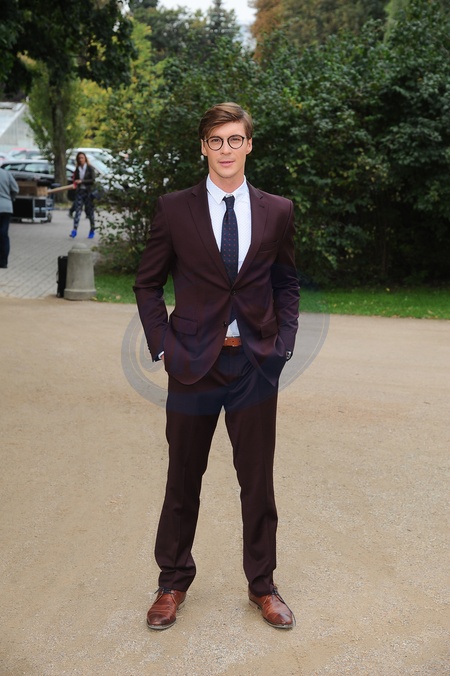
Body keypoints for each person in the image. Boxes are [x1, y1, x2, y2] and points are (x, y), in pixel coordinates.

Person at [134, 102, 300, 631]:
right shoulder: (173, 209)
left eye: (234, 139)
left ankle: (263, 585)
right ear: (203, 147)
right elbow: (147, 283)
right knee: (183, 478)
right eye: (215, 140)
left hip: (254, 364)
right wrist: (163, 344)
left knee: (258, 481)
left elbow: (286, 284)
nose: (225, 149)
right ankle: (172, 582)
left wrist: (283, 345)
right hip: (192, 364)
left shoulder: (278, 210)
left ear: (249, 145)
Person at [70, 152, 96, 239]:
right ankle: (74, 230)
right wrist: (75, 182)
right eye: (79, 158)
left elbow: (93, 180)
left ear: (85, 159)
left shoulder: (90, 168)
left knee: (90, 212)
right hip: (80, 192)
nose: (81, 160)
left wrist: (82, 181)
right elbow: (75, 178)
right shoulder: (77, 169)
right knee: (78, 211)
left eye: (82, 158)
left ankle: (92, 229)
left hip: (88, 192)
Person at [0, 166, 19, 268]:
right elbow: (15, 189)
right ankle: (3, 262)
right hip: (6, 207)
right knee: (4, 235)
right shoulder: (6, 174)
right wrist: (10, 199)